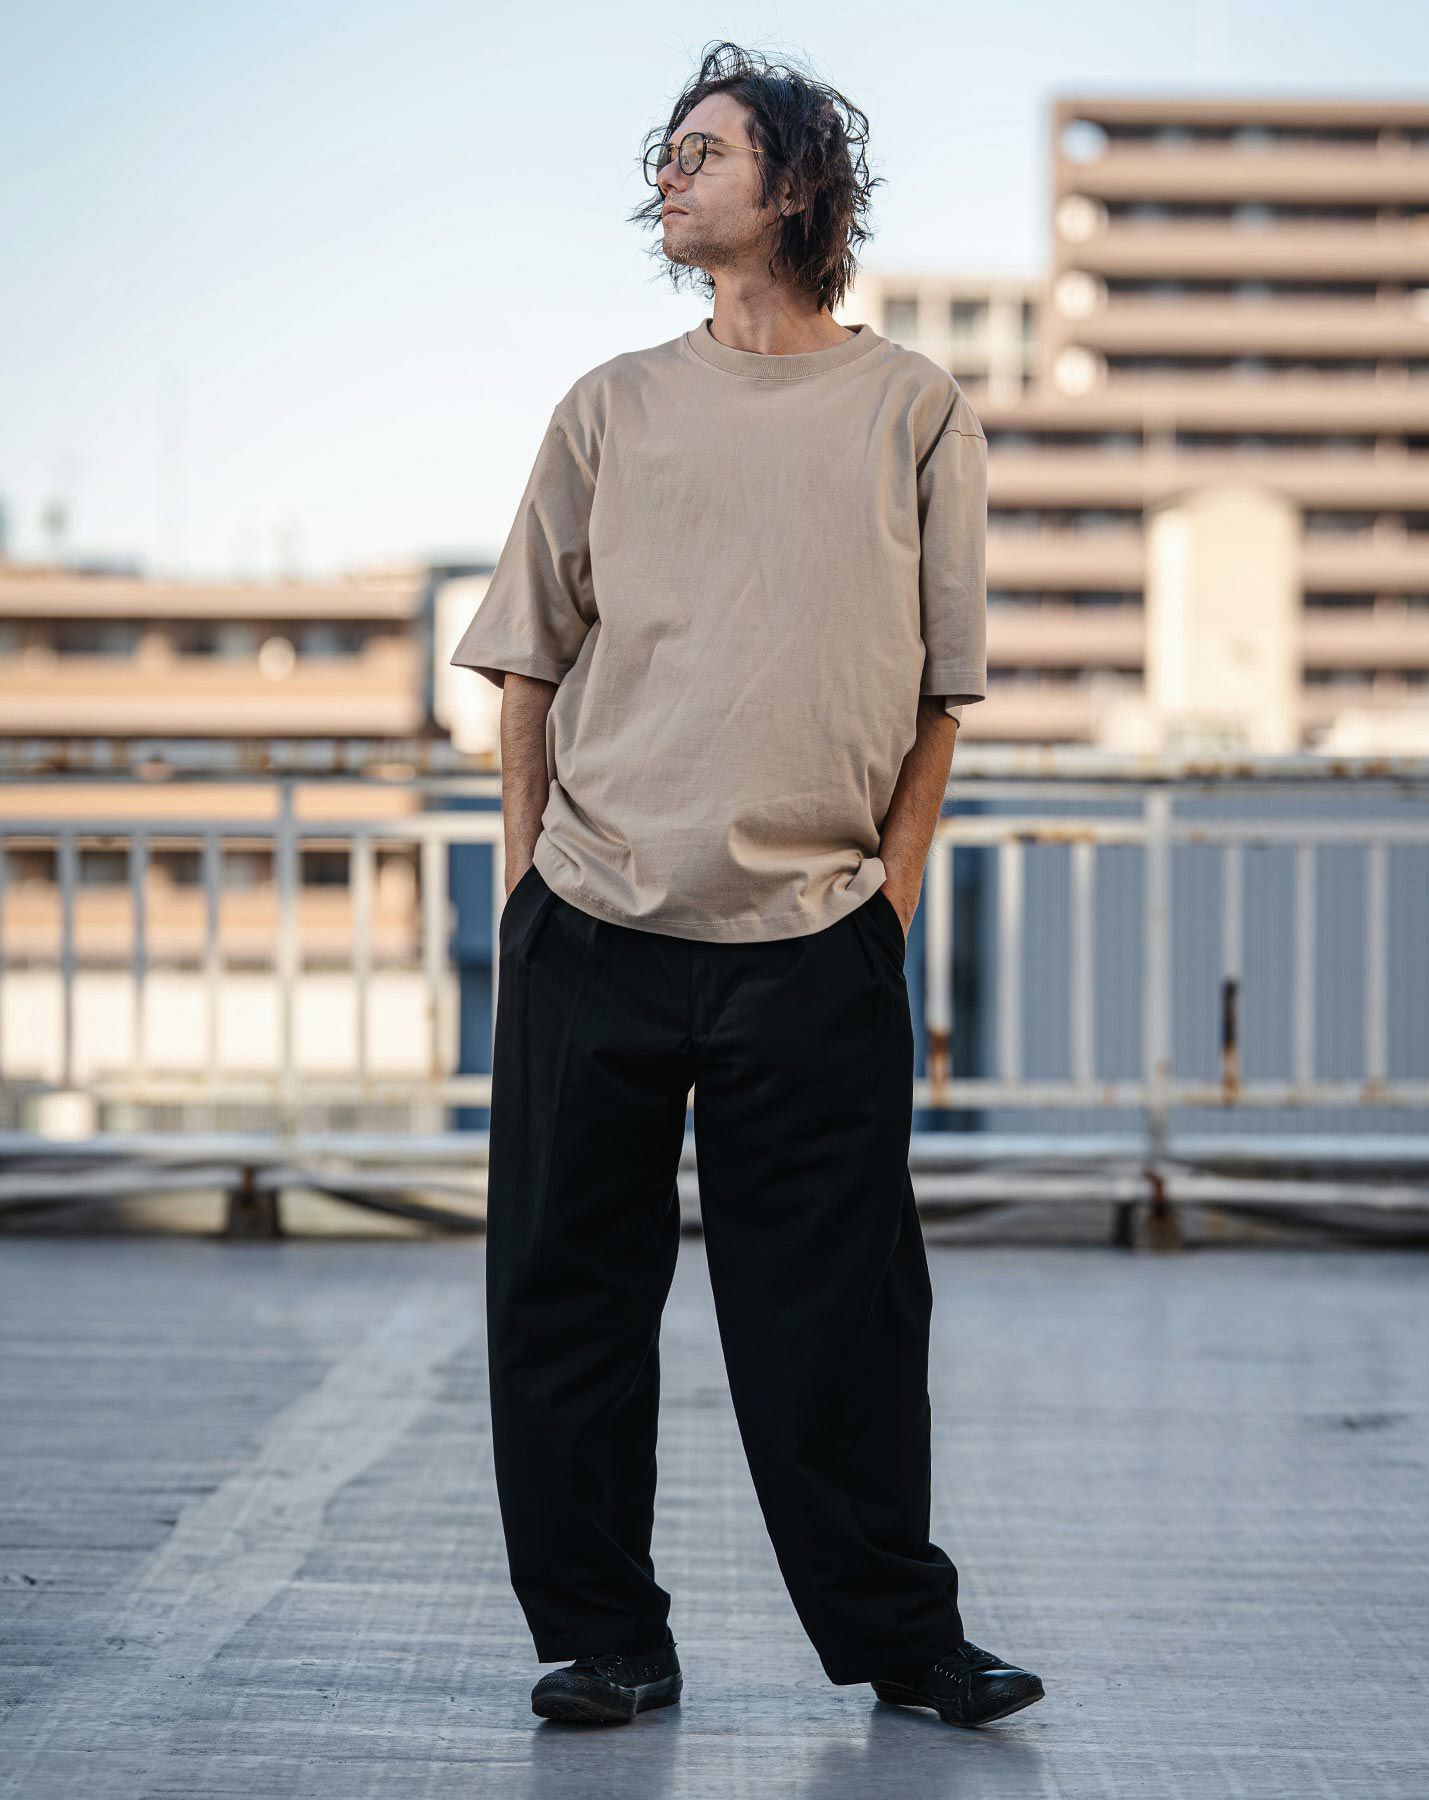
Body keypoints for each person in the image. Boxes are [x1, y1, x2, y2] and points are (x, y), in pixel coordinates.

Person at [450, 40, 1046, 1731]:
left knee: (839, 1317)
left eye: (701, 151)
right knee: (565, 1303)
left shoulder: (912, 408)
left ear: (792, 185)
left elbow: (941, 690)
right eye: (664, 151)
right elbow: (527, 664)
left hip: (816, 938)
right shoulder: (610, 406)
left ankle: (905, 1642)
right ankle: (606, 1639)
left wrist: (890, 902)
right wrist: (526, 888)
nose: (667, 173)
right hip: (593, 923)